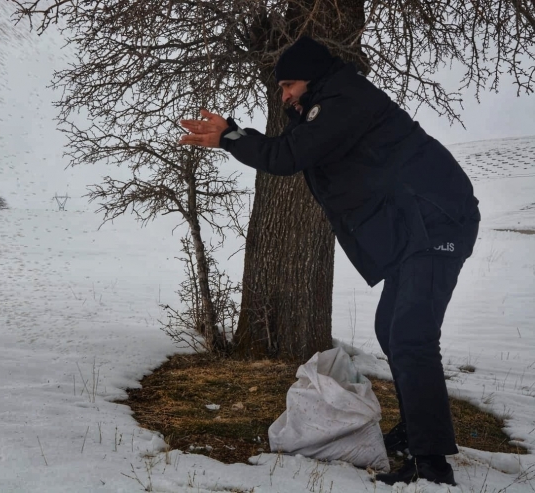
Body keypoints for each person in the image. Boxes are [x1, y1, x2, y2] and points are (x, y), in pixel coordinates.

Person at [179, 36, 480, 486]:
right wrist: (236, 135)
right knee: (393, 331)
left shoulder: (344, 98)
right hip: (412, 228)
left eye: (288, 85)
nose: (284, 96)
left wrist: (230, 137)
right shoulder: (329, 105)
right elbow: (295, 148)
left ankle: (432, 464)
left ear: (312, 78)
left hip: (435, 221)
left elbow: (288, 155)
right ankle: (419, 431)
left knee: (411, 336)